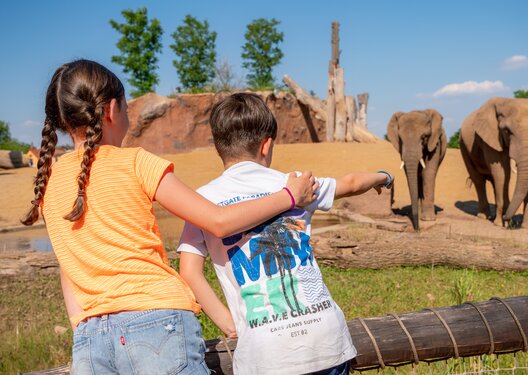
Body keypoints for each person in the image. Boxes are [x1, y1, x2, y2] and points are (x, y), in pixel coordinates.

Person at [21, 60, 318, 375]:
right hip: (156, 321)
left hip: (89, 336)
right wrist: (289, 197)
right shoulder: (136, 162)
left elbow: (68, 272)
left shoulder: (49, 182)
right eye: (125, 108)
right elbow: (217, 221)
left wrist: (81, 326)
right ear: (111, 110)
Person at [177, 93, 394, 375]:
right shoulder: (295, 184)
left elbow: (189, 272)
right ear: (266, 145)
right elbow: (352, 183)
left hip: (265, 353)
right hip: (326, 341)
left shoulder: (202, 201)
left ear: (218, 147)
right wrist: (383, 176)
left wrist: (229, 324)